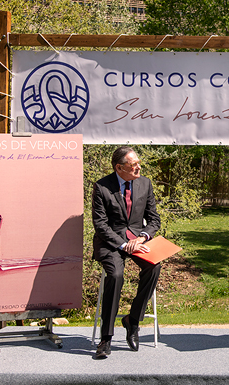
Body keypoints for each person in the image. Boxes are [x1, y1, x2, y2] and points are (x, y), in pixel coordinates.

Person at [92, 146, 162, 359]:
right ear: (119, 167)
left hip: (137, 239)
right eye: (133, 165)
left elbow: (154, 219)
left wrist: (143, 237)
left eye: (138, 163)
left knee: (154, 265)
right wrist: (123, 245)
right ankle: (106, 338)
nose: (138, 167)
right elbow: (101, 225)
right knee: (115, 275)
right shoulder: (102, 187)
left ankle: (132, 321)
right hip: (111, 242)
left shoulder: (145, 183)